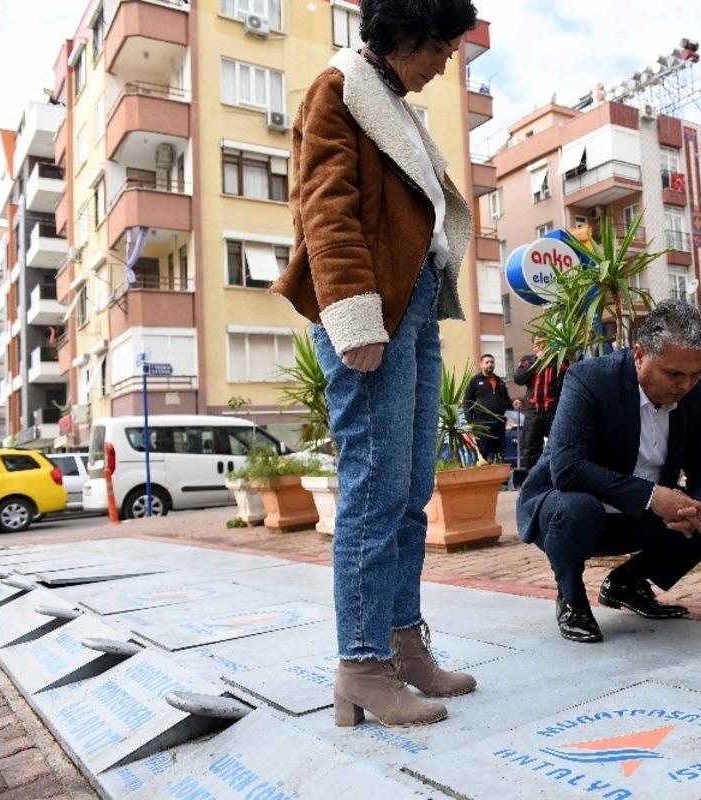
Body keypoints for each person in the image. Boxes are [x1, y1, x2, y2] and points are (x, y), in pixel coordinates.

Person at [271, 0, 479, 728]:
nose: (448, 58)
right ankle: (360, 667)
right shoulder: (339, 89)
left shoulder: (391, 101)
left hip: (414, 309)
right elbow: (324, 209)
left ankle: (402, 646)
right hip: (370, 312)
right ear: (407, 34)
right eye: (443, 46)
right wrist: (354, 314)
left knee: (412, 487)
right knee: (373, 489)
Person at [517, 300, 701, 643]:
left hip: (641, 519)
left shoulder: (695, 393)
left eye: (694, 374)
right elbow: (568, 469)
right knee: (577, 507)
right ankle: (571, 598)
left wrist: (697, 505)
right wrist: (653, 496)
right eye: (674, 374)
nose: (685, 385)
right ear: (639, 354)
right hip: (571, 514)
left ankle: (627, 583)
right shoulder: (590, 378)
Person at [513, 337, 566, 473]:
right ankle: (532, 479)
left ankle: (557, 475)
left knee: (558, 444)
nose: (541, 345)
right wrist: (536, 361)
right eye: (538, 343)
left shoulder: (559, 359)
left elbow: (569, 377)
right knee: (530, 447)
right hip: (533, 411)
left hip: (553, 410)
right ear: (534, 346)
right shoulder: (527, 360)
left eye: (544, 342)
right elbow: (518, 379)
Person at [463, 354, 512, 463]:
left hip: (499, 423)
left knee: (499, 454)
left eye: (492, 362)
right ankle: (482, 478)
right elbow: (466, 402)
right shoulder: (475, 381)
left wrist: (514, 403)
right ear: (481, 365)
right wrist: (470, 422)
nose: (490, 364)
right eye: (487, 362)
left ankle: (500, 479)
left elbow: (507, 401)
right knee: (483, 453)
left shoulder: (500, 382)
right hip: (482, 424)